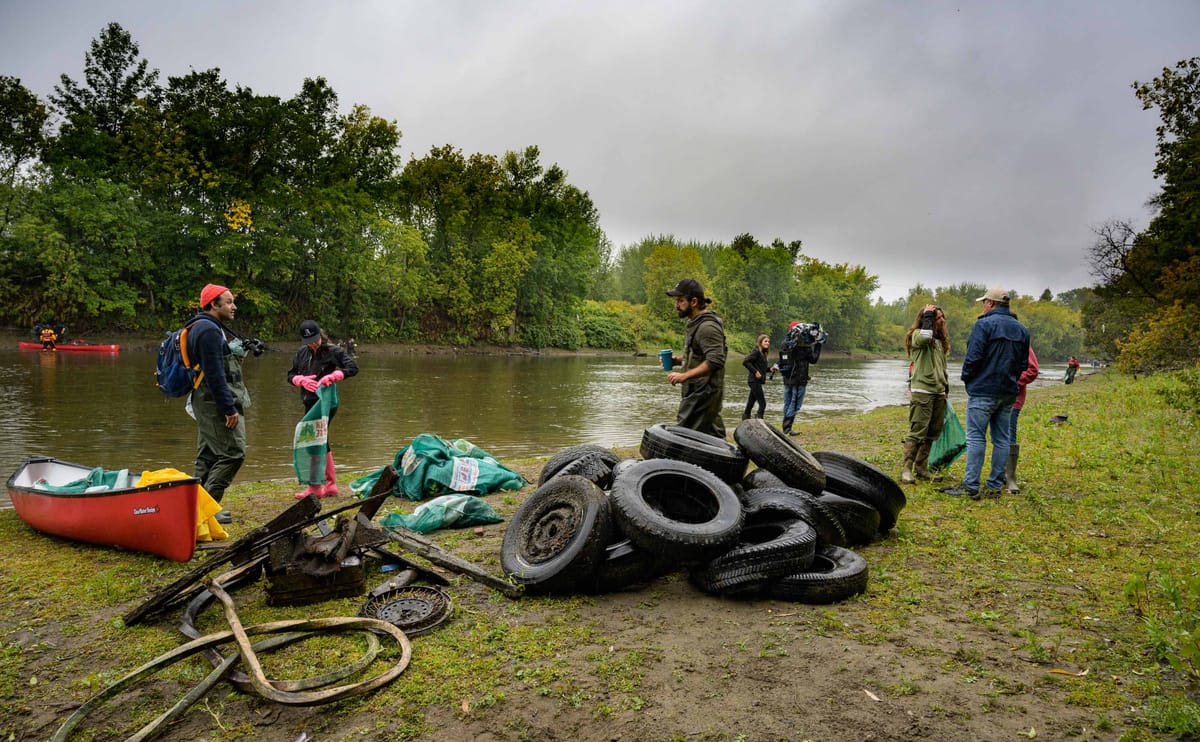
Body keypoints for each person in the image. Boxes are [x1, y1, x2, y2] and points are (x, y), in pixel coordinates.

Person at [940, 286, 1030, 499]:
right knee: (1002, 439)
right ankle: (994, 487)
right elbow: (1023, 364)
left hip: (983, 390)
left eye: (984, 302)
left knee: (975, 438)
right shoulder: (1022, 330)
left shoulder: (983, 325)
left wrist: (967, 378)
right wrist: (1010, 379)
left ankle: (971, 486)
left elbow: (973, 357)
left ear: (990, 303)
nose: (983, 306)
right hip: (1008, 391)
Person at [187, 283, 251, 524]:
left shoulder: (202, 326)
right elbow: (215, 375)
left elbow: (214, 366)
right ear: (214, 304)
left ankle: (193, 507)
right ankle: (206, 510)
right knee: (234, 453)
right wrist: (228, 408)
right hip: (213, 403)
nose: (234, 307)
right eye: (229, 302)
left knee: (207, 455)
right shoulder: (209, 331)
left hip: (204, 400)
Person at [287, 319, 359, 498]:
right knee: (321, 439)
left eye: (315, 339)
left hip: (326, 401)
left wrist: (335, 375)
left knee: (312, 440)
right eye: (309, 341)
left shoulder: (332, 351)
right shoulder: (302, 353)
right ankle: (330, 484)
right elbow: (291, 374)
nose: (313, 344)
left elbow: (352, 367)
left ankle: (316, 486)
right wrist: (300, 380)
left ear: (320, 335)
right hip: (309, 401)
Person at [665, 278, 728, 438]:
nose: (676, 305)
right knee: (713, 437)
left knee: (682, 438)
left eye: (680, 300)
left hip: (703, 395)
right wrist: (679, 361)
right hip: (699, 393)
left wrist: (684, 376)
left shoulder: (707, 327)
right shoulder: (695, 323)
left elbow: (715, 361)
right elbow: (700, 357)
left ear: (694, 302)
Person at [901, 304, 949, 484]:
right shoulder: (918, 336)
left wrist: (945, 389)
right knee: (918, 431)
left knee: (932, 432)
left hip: (938, 391)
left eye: (942, 317)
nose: (941, 321)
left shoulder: (939, 342)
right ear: (927, 320)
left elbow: (943, 368)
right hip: (922, 391)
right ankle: (906, 469)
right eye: (937, 318)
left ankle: (921, 468)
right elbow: (925, 336)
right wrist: (928, 314)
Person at [1005, 314, 1039, 493]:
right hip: (995, 396)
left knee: (1009, 435)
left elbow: (1033, 370)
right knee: (997, 436)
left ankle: (1010, 477)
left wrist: (1012, 381)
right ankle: (998, 474)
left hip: (1014, 398)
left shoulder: (1022, 343)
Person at [778, 321, 822, 436]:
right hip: (799, 378)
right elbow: (813, 359)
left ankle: (785, 428)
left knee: (788, 402)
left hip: (787, 377)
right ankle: (787, 428)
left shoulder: (784, 343)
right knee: (796, 403)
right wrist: (818, 344)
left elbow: (782, 359)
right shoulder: (804, 346)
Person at [741, 334, 771, 420]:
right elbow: (745, 362)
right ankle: (759, 421)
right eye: (765, 341)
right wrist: (755, 372)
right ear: (760, 342)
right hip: (754, 381)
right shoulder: (756, 352)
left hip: (757, 381)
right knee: (763, 404)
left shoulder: (763, 353)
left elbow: (762, 368)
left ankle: (745, 419)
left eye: (768, 341)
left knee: (750, 403)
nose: (767, 343)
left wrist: (770, 369)